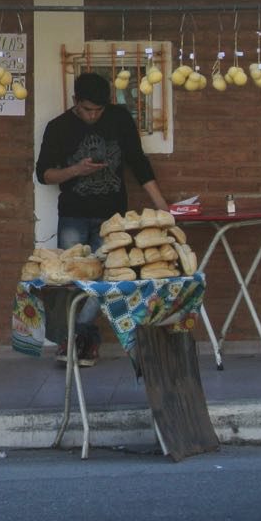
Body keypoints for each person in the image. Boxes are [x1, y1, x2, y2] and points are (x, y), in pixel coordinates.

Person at [35, 72, 169, 367]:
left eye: (99, 110)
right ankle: (77, 340)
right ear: (74, 102)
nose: (93, 116)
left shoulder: (119, 119)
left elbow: (138, 163)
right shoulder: (58, 127)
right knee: (71, 280)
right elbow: (44, 174)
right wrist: (75, 171)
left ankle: (78, 337)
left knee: (106, 279)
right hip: (73, 214)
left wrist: (163, 208)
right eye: (86, 110)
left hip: (111, 218)